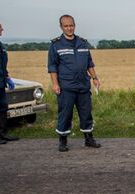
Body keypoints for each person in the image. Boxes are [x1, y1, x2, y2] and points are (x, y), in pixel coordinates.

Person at [48, 14, 101, 152]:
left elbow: (89, 63)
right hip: (66, 86)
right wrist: (55, 84)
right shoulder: (56, 44)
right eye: (66, 26)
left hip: (83, 84)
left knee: (86, 112)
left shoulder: (82, 42)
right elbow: (52, 66)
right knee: (65, 113)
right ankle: (63, 141)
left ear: (74, 25)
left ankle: (89, 139)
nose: (69, 28)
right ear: (61, 27)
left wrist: (95, 78)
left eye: (71, 25)